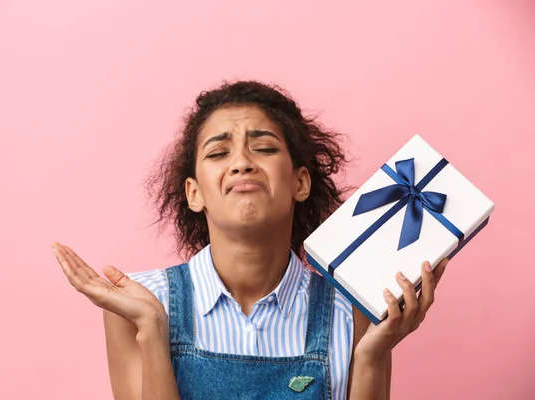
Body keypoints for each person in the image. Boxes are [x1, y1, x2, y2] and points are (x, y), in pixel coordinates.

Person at [51, 80, 448, 400]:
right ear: (194, 193)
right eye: (218, 153)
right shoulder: (139, 306)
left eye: (263, 147)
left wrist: (372, 358)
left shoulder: (355, 308)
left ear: (300, 182)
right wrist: (152, 330)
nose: (242, 161)